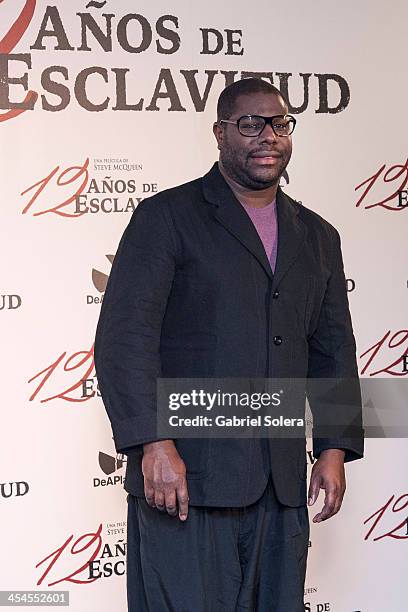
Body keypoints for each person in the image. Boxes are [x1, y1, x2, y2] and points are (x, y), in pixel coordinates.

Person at [94, 77, 364, 612]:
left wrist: (333, 449)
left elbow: (334, 349)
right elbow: (125, 339)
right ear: (220, 133)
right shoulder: (166, 217)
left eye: (280, 124)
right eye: (250, 124)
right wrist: (153, 442)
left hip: (281, 486)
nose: (268, 136)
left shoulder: (317, 235)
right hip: (187, 479)